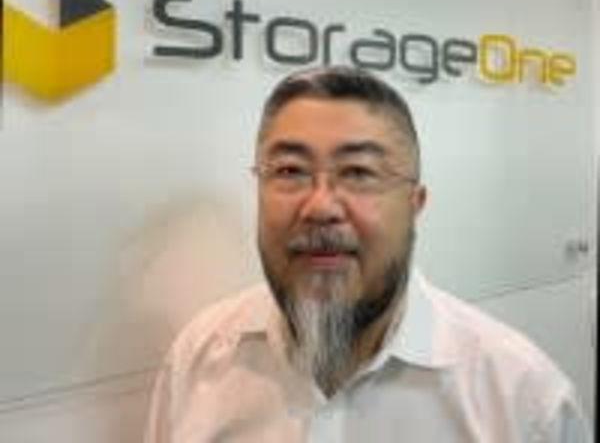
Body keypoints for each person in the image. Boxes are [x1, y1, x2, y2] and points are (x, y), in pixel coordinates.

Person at [144, 66, 592, 442]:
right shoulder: (198, 359)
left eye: (359, 172)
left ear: (415, 205)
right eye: (290, 170)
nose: (320, 207)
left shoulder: (523, 404)